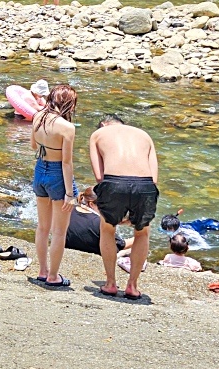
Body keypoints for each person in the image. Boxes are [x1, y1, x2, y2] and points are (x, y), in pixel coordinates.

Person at [89, 113, 159, 299]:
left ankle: (111, 283)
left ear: (104, 125)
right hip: (145, 186)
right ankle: (132, 286)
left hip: (114, 183)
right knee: (142, 232)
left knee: (107, 229)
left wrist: (114, 206)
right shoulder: (144, 135)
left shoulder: (97, 135)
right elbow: (154, 179)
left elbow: (99, 177)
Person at [31, 83, 78, 287]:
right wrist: (69, 193)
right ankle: (53, 276)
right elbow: (67, 163)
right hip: (58, 175)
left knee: (42, 227)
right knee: (59, 231)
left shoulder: (37, 117)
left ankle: (42, 271)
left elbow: (34, 146)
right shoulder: (67, 128)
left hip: (40, 170)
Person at [65, 188, 131, 256]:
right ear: (91, 204)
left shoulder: (69, 210)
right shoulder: (99, 223)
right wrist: (140, 236)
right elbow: (121, 245)